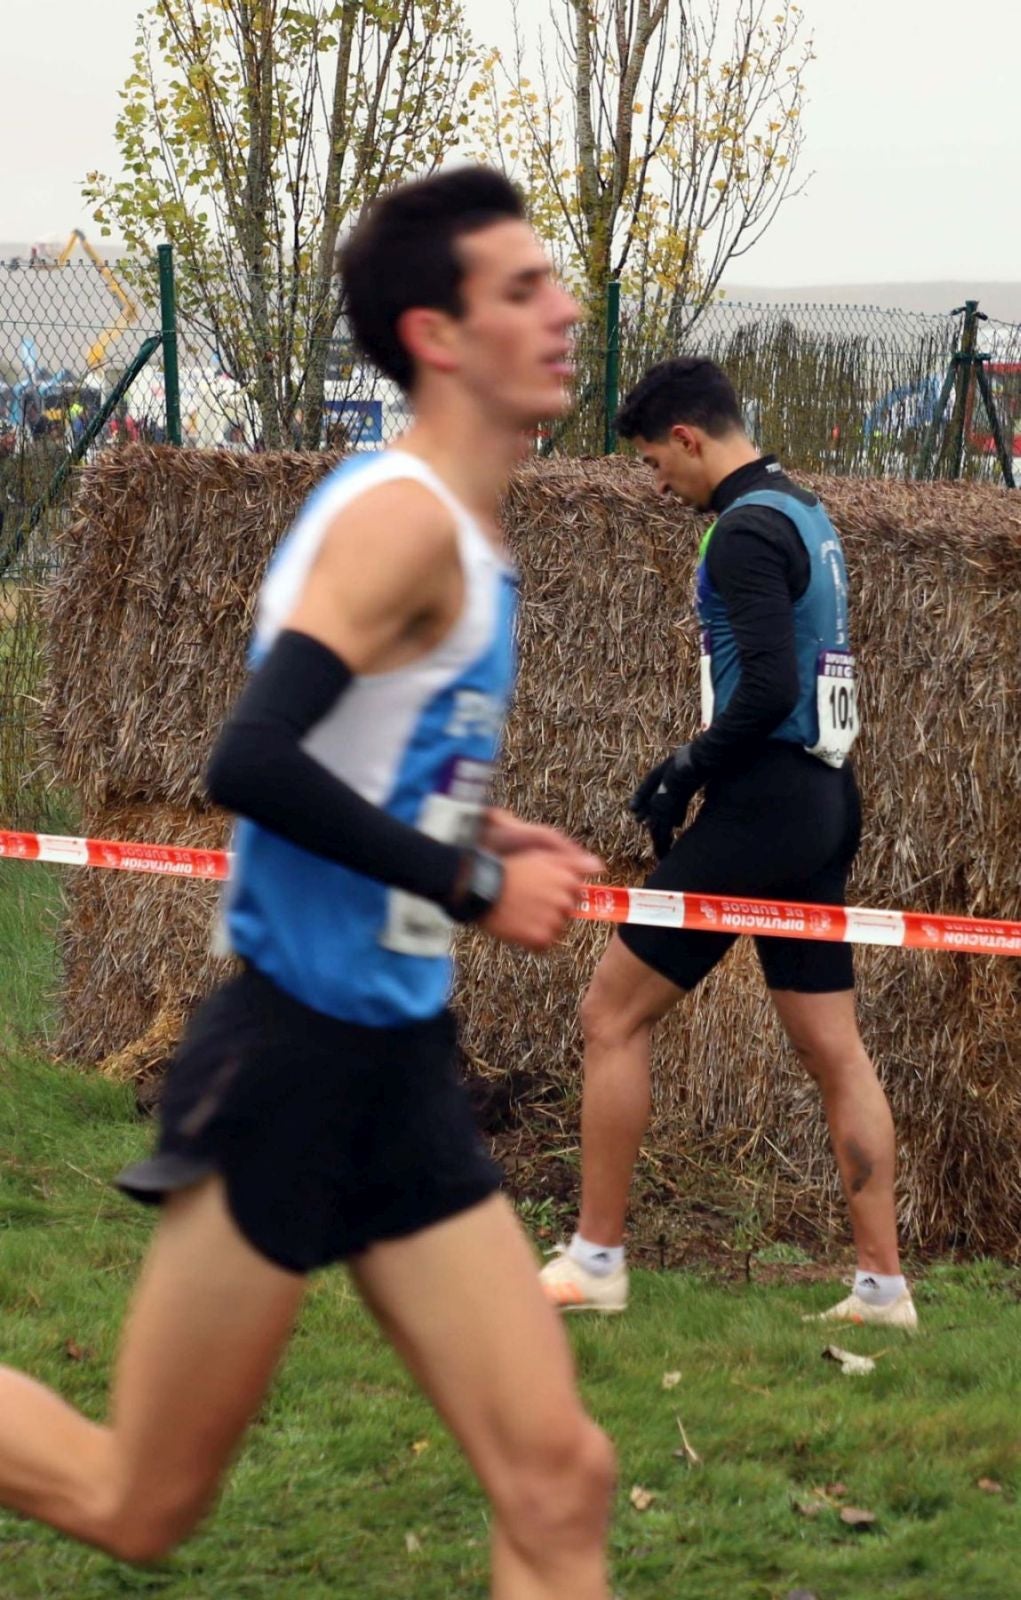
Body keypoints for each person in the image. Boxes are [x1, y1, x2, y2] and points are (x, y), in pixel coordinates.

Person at [0, 167, 617, 1598]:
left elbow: (360, 750)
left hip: (394, 1060)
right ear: (438, 334)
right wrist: (469, 882)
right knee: (135, 1500)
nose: (564, 306)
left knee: (559, 1478)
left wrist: (488, 824)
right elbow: (253, 760)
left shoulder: (456, 528)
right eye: (522, 287)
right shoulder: (402, 521)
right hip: (292, 1056)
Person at [539, 356, 917, 1332]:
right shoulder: (805, 511)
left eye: (655, 465)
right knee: (835, 1051)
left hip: (764, 801)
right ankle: (882, 1287)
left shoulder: (742, 529)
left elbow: (764, 684)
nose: (656, 486)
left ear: (688, 438)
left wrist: (687, 769)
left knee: (610, 1015)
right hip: (828, 799)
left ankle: (596, 1259)